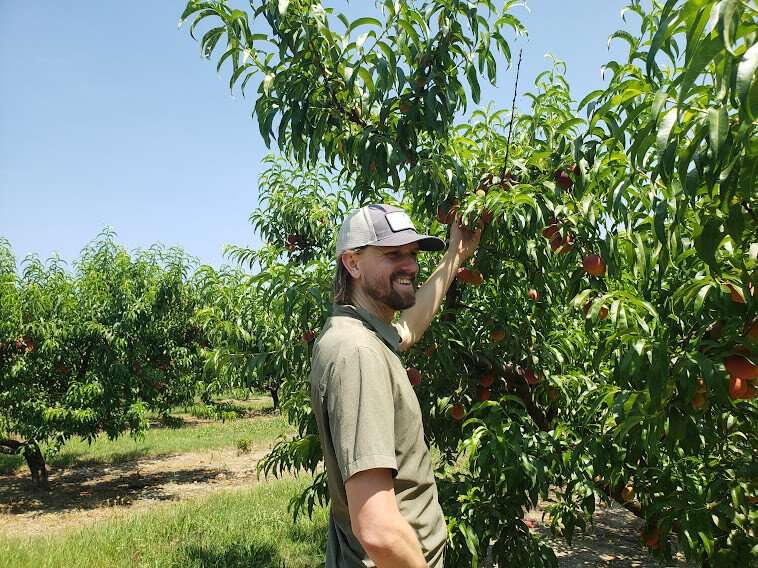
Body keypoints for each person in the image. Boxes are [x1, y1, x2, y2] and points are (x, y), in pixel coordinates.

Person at [310, 203, 481, 567]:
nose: (411, 266)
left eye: (413, 253)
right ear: (352, 263)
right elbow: (378, 529)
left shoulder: (356, 332)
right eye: (392, 254)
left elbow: (408, 329)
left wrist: (456, 254)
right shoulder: (359, 353)